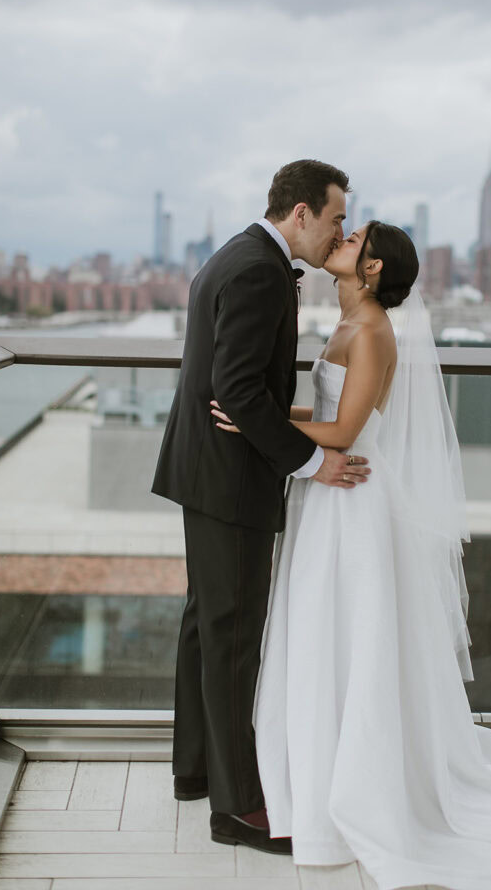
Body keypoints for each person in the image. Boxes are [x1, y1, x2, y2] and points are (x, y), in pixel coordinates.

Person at [210, 220, 491, 890]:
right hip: (327, 496)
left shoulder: (373, 330)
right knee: (324, 631)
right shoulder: (348, 322)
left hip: (352, 499)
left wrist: (257, 421)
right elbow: (326, 410)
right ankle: (314, 768)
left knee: (348, 632)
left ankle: (355, 780)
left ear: (375, 268)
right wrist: (269, 414)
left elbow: (348, 430)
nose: (342, 240)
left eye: (354, 239)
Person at [150, 159, 371, 855]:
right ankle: (237, 808)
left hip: (206, 472)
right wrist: (314, 463)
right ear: (300, 213)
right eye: (335, 217)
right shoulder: (257, 270)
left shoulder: (239, 255)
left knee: (207, 627)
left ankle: (196, 771)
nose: (340, 230)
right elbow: (239, 392)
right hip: (228, 479)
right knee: (231, 635)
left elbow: (237, 392)